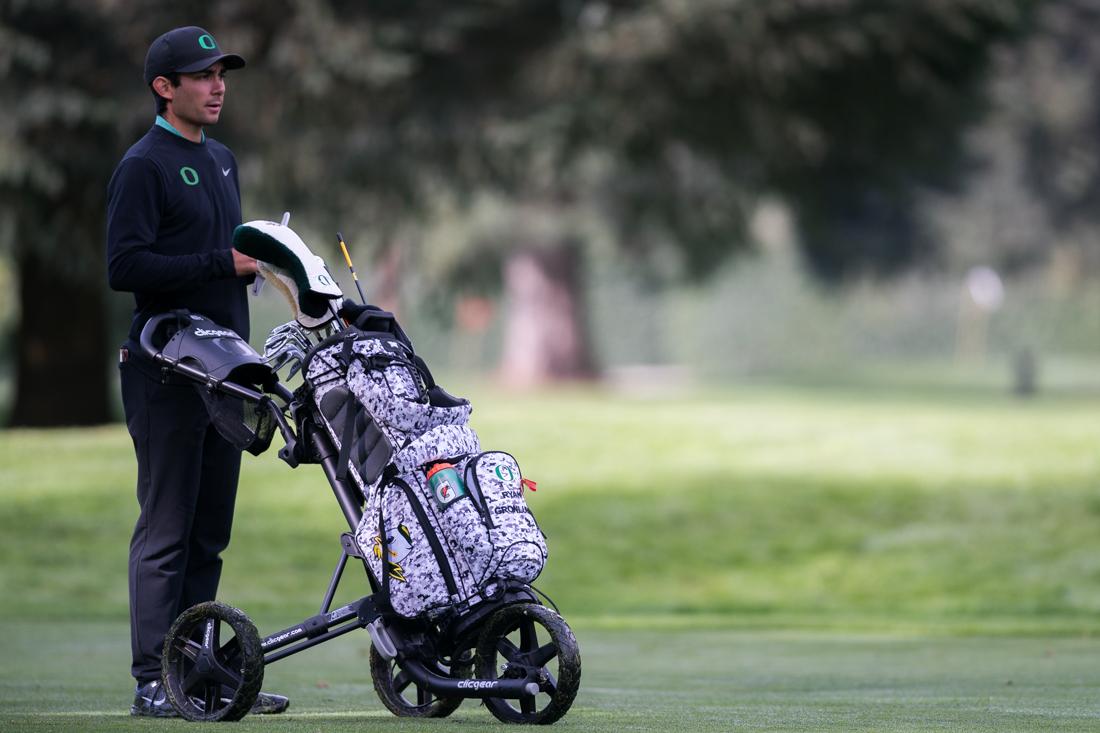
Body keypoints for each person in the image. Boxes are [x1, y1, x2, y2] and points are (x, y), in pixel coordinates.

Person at [106, 26, 288, 717]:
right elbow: (126, 267)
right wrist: (223, 264)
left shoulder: (221, 160)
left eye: (222, 74)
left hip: (224, 372)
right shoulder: (144, 165)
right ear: (165, 87)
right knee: (167, 528)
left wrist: (255, 271)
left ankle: (202, 673)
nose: (217, 86)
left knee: (210, 530)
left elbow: (219, 260)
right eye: (203, 75)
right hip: (164, 372)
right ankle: (153, 680)